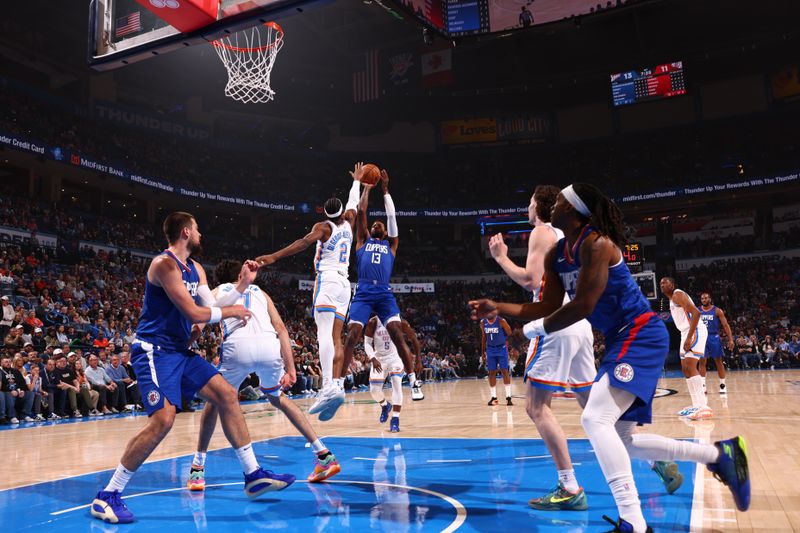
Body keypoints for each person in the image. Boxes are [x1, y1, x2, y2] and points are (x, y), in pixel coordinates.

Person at [469, 183, 750, 532]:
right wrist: (500, 307)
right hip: (620, 340)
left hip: (641, 332)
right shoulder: (559, 252)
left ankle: (632, 522)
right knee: (623, 439)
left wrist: (535, 329)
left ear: (573, 211)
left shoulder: (597, 244)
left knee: (595, 419)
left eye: (558, 201)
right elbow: (543, 304)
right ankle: (720, 456)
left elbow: (583, 304)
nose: (551, 204)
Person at [90, 212, 293, 525]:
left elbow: (206, 304)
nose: (201, 234)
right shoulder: (164, 265)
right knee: (163, 421)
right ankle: (108, 495)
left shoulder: (196, 268)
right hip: (154, 351)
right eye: (197, 229)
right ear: (186, 232)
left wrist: (241, 285)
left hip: (179, 351)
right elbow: (193, 311)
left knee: (226, 394)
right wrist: (230, 310)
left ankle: (253, 474)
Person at [488, 184, 597, 510]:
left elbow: (531, 282)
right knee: (595, 412)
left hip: (556, 323)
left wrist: (502, 258)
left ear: (542, 206)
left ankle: (569, 486)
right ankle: (655, 460)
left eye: (530, 203)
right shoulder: (569, 236)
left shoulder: (541, 231)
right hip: (580, 322)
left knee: (536, 407)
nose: (527, 208)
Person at [188, 262, 341, 493]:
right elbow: (281, 328)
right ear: (240, 275)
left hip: (238, 347)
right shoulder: (260, 292)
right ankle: (323, 454)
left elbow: (200, 321)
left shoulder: (217, 291)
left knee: (215, 403)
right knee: (278, 397)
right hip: (270, 347)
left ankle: (198, 469)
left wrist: (182, 346)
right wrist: (291, 368)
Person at [256, 164, 363, 419]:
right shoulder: (349, 222)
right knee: (335, 338)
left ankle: (327, 386)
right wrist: (357, 181)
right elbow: (353, 202)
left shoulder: (324, 227)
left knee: (323, 334)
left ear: (326, 213)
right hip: (345, 285)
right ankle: (336, 385)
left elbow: (303, 243)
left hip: (327, 281)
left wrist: (274, 256)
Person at [342, 168, 423, 422]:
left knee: (398, 334)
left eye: (381, 225)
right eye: (375, 224)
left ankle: (413, 381)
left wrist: (386, 191)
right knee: (353, 334)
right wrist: (367, 187)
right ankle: (339, 380)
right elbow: (363, 213)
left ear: (386, 232)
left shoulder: (392, 245)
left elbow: (391, 217)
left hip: (384, 292)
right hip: (365, 291)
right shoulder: (362, 241)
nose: (378, 223)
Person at [660, 277, 712, 420]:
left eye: (666, 282)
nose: (662, 284)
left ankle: (703, 406)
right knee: (685, 369)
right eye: (661, 283)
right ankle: (696, 404)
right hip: (686, 332)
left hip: (694, 330)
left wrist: (689, 337)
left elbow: (696, 313)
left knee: (690, 366)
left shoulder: (678, 295)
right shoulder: (672, 299)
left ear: (673, 284)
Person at [365, 316, 421, 433]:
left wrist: (419, 360)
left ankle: (395, 418)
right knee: (374, 391)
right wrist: (373, 358)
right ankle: (385, 405)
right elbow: (367, 343)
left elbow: (414, 339)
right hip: (379, 358)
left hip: (396, 357)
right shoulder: (373, 322)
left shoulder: (401, 322)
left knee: (396, 384)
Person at [699, 292, 734, 394]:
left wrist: (730, 339)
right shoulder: (697, 310)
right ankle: (703, 386)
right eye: (702, 299)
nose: (704, 300)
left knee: (718, 361)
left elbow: (726, 325)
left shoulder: (717, 310)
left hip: (713, 337)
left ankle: (722, 385)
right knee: (702, 361)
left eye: (706, 298)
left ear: (710, 299)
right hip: (702, 338)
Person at [480, 310, 514, 406]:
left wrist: (510, 347)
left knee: (504, 371)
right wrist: (482, 352)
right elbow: (483, 337)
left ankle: (508, 398)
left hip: (501, 348)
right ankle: (494, 398)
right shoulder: (482, 322)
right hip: (490, 350)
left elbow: (510, 334)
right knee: (491, 372)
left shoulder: (501, 321)